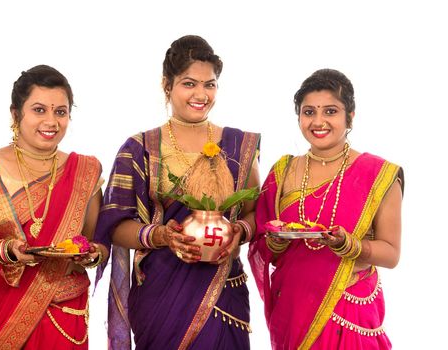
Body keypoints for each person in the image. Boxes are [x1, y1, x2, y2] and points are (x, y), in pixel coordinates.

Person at [93, 35, 261, 349]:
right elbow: (115, 226)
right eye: (189, 83)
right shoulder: (139, 148)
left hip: (223, 291)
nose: (201, 94)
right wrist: (161, 236)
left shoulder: (239, 145)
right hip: (161, 292)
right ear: (167, 85)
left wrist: (238, 231)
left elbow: (255, 210)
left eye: (209, 85)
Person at [0, 65, 108, 349]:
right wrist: (5, 251)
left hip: (63, 314)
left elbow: (92, 242)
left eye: (60, 112)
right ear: (16, 114)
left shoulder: (85, 172)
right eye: (39, 110)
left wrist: (93, 255)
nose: (51, 121)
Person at [249, 69, 404, 349]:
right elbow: (260, 243)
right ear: (298, 116)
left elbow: (391, 254)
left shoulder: (378, 174)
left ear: (350, 117)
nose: (318, 122)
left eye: (330, 111)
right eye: (309, 112)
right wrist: (275, 242)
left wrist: (350, 245)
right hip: (293, 307)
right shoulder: (282, 171)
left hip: (348, 305)